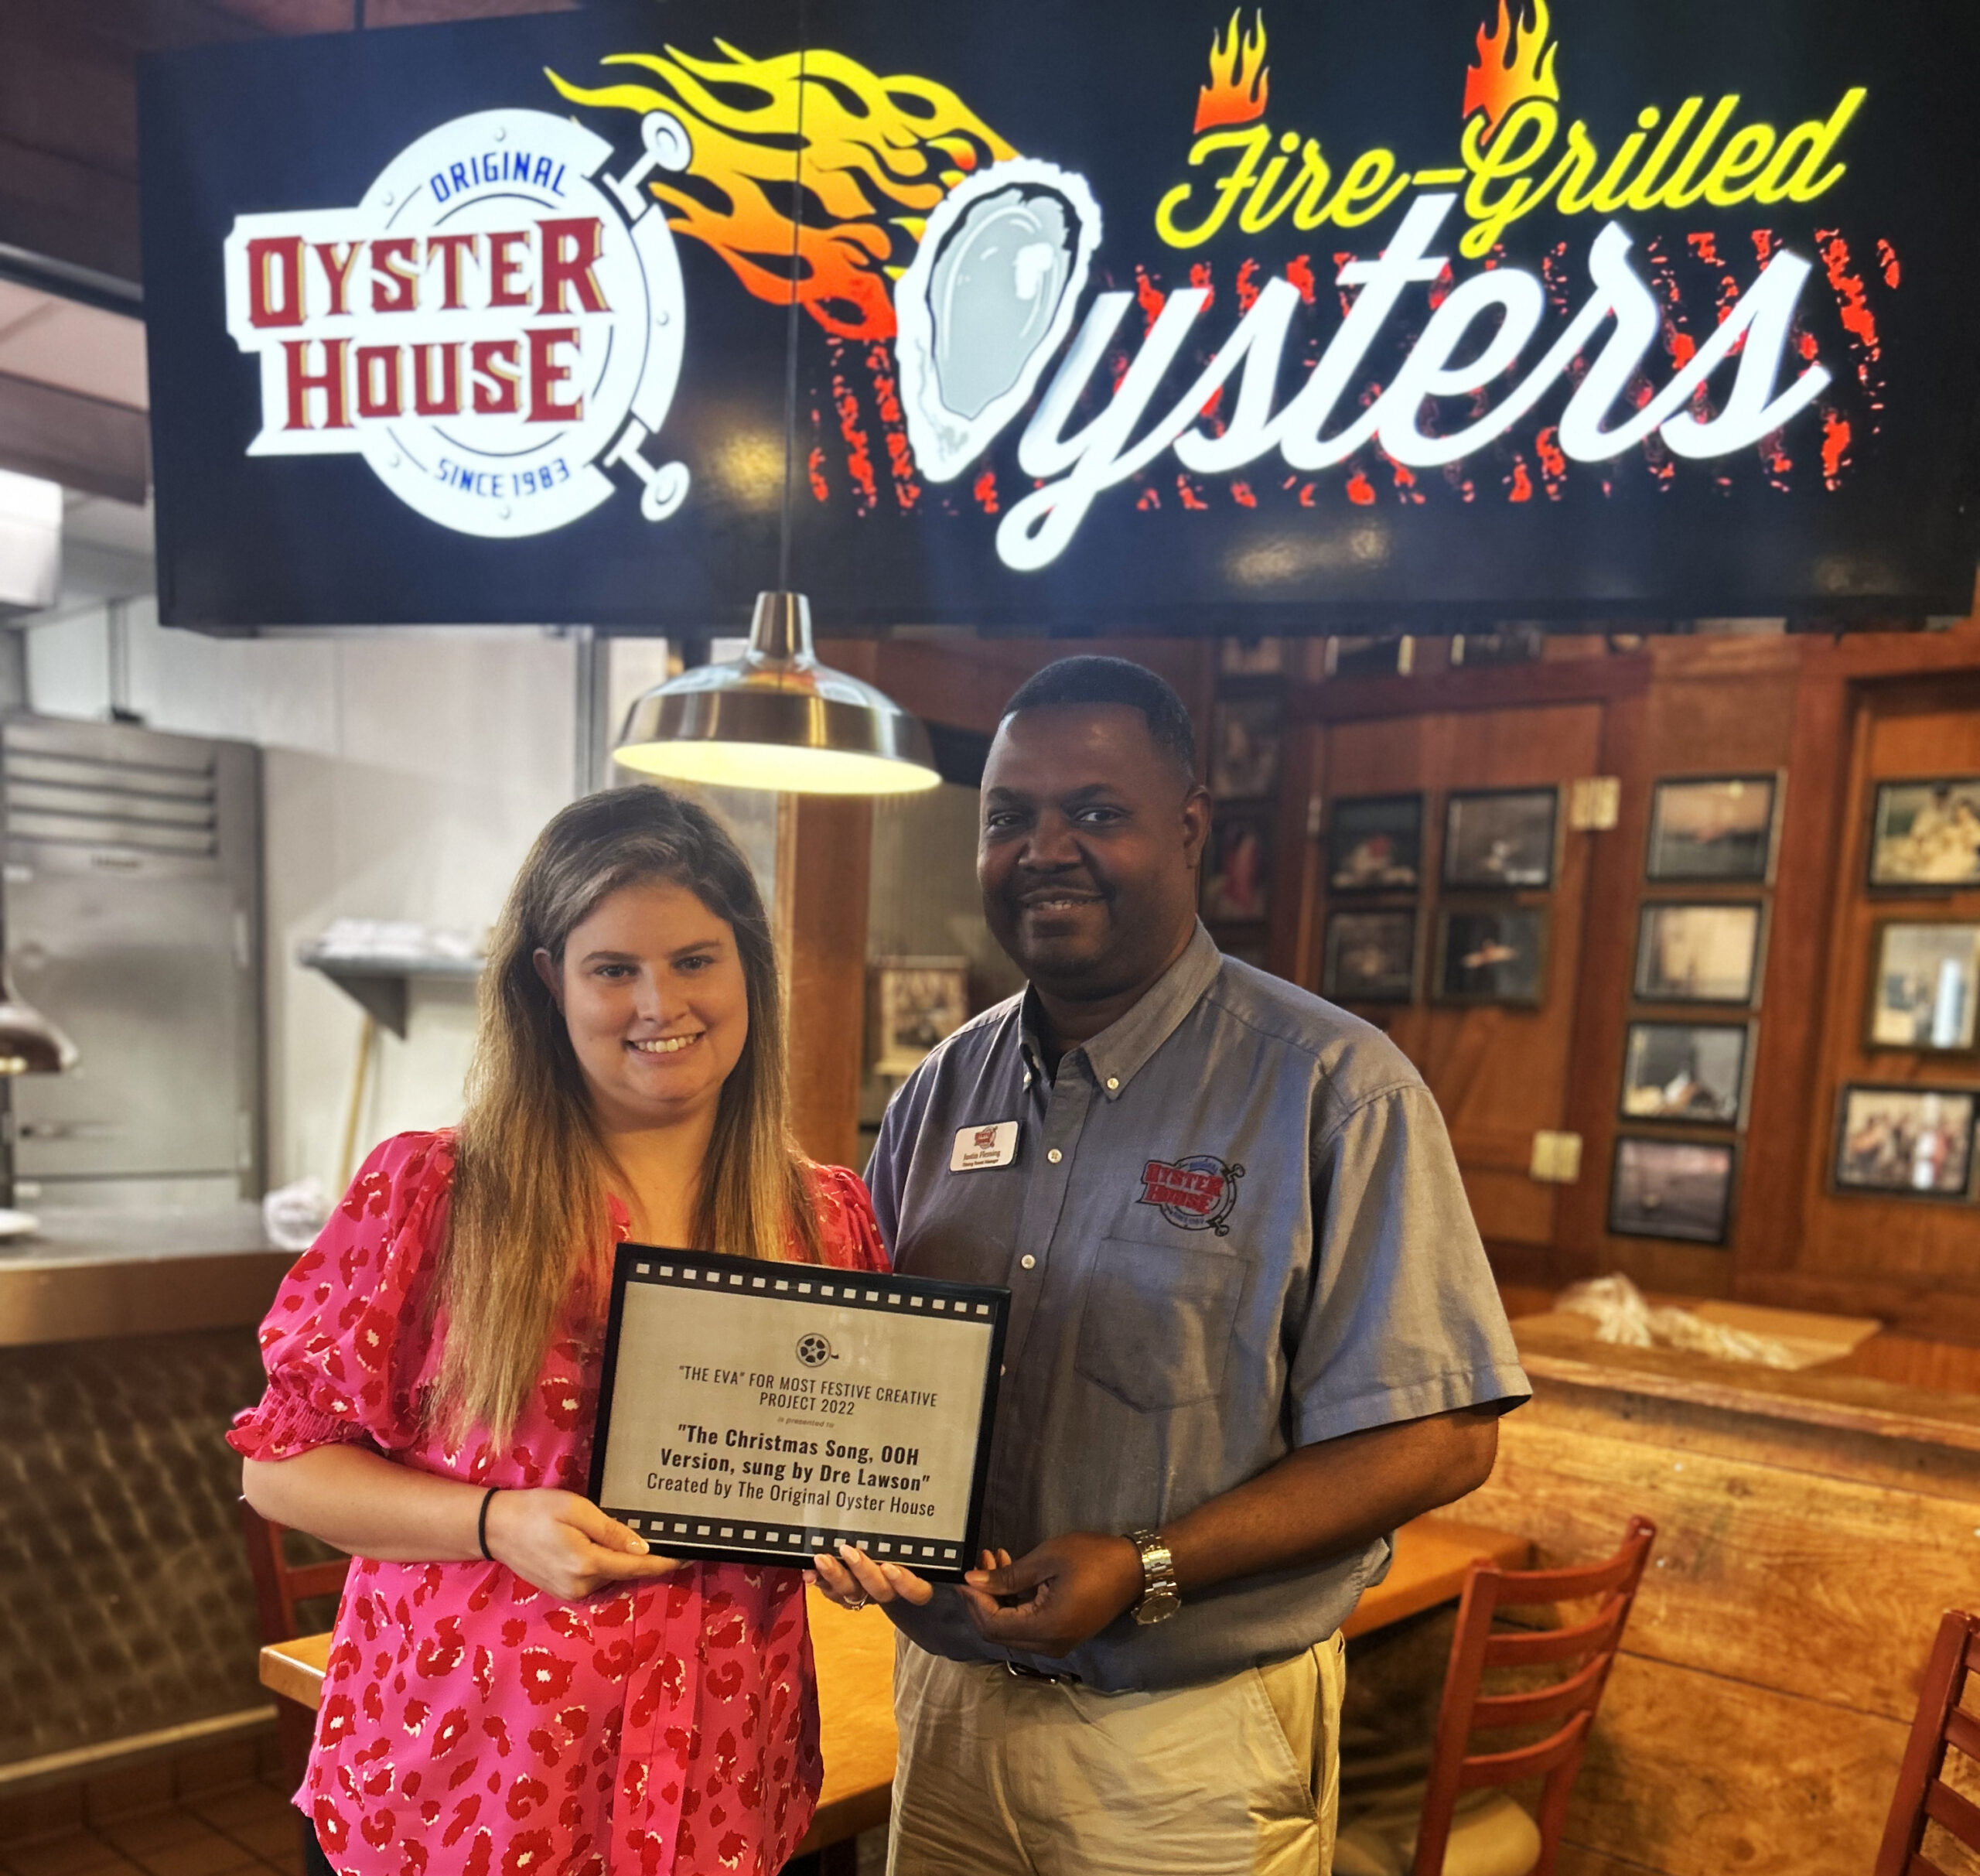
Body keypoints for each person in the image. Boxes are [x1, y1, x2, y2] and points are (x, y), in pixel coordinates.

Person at [814, 656, 1529, 1876]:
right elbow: (865, 1371)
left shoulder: (1334, 1087)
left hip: (1191, 1742)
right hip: (944, 1707)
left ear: (1190, 826)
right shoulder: (940, 1090)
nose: (1045, 847)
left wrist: (1147, 1566)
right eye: (1008, 817)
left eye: (1095, 811)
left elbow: (1444, 1435)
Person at [233, 786, 887, 1876]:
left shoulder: (821, 1218)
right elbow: (282, 1472)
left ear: (748, 970)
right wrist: (496, 1522)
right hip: (463, 1793)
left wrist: (860, 1545)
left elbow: (836, 1476)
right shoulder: (436, 1192)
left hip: (726, 1786)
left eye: (694, 959)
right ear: (549, 978)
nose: (659, 1001)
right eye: (613, 967)